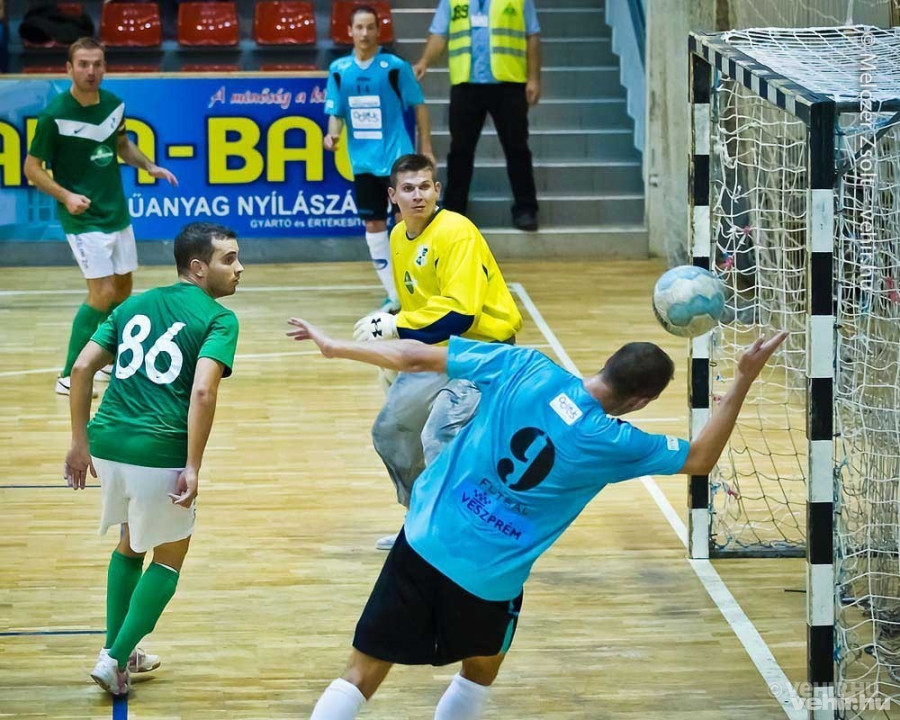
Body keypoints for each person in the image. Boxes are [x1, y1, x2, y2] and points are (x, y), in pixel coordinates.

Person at [287, 318, 788, 719]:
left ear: (606, 365)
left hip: (424, 541)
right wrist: (742, 380)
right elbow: (700, 458)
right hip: (490, 580)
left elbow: (416, 356)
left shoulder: (525, 366)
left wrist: (334, 346)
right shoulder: (617, 443)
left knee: (361, 674)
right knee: (479, 671)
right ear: (641, 402)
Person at [63, 221, 242, 696]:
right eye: (228, 259)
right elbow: (203, 392)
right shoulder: (220, 319)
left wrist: (79, 442)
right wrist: (193, 465)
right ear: (198, 268)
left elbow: (80, 367)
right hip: (158, 452)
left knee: (130, 543)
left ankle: (119, 651)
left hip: (107, 445)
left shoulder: (133, 305)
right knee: (168, 559)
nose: (239, 268)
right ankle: (114, 659)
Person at [351, 153, 522, 550]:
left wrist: (397, 326)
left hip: (482, 352)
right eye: (408, 189)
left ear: (437, 190)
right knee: (390, 431)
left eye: (425, 187)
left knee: (440, 433)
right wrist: (396, 337)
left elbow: (460, 315)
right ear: (392, 196)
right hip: (436, 352)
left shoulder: (456, 232)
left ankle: (461, 531)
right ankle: (421, 522)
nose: (418, 196)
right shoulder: (398, 237)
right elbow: (421, 303)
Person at [24, 37, 177, 396]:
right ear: (69, 69)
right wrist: (65, 196)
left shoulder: (113, 105)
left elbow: (121, 145)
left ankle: (108, 359)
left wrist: (149, 165)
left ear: (105, 67)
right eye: (83, 64)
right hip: (82, 217)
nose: (91, 71)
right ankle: (69, 375)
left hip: (116, 211)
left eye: (97, 64)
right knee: (102, 292)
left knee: (123, 288)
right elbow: (32, 168)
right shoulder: (54, 115)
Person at [324, 5, 435, 314]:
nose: (364, 33)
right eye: (359, 27)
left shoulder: (394, 67)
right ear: (350, 31)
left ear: (378, 31)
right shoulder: (339, 70)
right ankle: (394, 294)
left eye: (370, 27)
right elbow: (336, 113)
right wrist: (332, 135)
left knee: (405, 223)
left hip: (398, 161)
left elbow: (419, 105)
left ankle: (417, 290)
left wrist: (426, 146)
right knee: (373, 225)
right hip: (363, 163)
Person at [413, 0, 542, 232]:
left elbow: (531, 35)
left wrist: (533, 78)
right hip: (466, 85)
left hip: (509, 84)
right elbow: (439, 34)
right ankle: (454, 209)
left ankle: (526, 208)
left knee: (517, 148)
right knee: (460, 150)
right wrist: (424, 61)